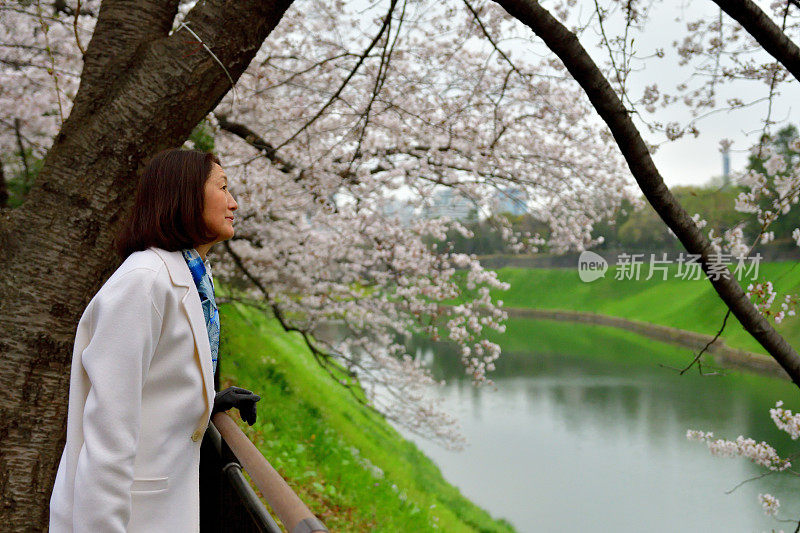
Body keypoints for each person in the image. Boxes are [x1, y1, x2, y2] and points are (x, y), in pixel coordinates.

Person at [49, 148, 261, 532]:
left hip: (161, 507)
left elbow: (154, 379)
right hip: (127, 514)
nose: (234, 203)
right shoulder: (143, 282)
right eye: (223, 188)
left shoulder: (189, 276)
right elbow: (109, 429)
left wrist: (206, 400)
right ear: (185, 195)